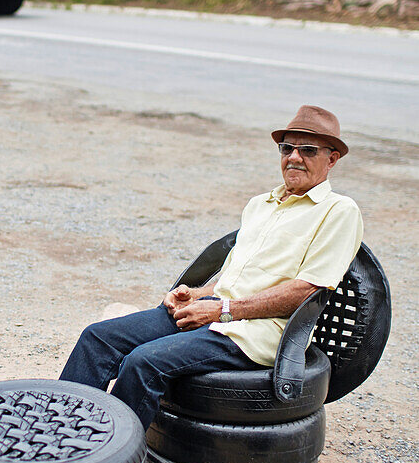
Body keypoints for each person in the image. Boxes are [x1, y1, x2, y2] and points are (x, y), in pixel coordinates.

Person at [60, 105, 363, 430]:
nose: (293, 157)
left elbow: (308, 290)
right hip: (217, 312)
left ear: (331, 159)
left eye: (308, 150)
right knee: (98, 339)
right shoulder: (260, 204)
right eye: (287, 148)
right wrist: (196, 295)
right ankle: (58, 433)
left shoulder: (339, 212)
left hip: (257, 333)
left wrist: (222, 310)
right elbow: (235, 279)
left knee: (143, 362)